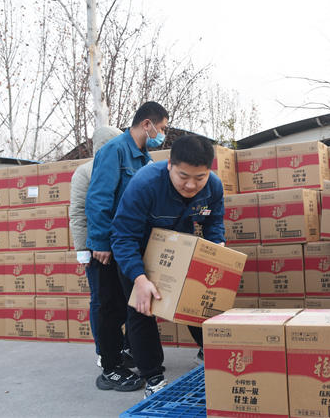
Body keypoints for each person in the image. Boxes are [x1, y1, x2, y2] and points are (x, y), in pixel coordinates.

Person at [111, 134, 225, 398]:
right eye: (183, 176)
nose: (191, 185)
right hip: (137, 250)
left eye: (199, 177)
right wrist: (139, 278)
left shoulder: (213, 186)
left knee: (195, 297)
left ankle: (209, 352)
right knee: (143, 308)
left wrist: (217, 247)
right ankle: (153, 377)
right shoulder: (145, 184)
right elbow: (123, 236)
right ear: (170, 165)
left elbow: (214, 221)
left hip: (176, 246)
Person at [86, 102, 169, 392]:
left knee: (132, 307)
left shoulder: (144, 158)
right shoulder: (115, 151)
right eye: (162, 128)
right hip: (110, 246)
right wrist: (101, 242)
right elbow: (99, 198)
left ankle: (129, 358)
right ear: (147, 124)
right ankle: (110, 368)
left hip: (131, 246)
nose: (163, 134)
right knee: (110, 308)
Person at [69, 126, 137, 368]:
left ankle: (127, 346)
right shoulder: (85, 172)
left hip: (124, 244)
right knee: (101, 300)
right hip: (97, 248)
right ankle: (104, 351)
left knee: (127, 299)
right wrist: (82, 251)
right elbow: (78, 213)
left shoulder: (127, 166)